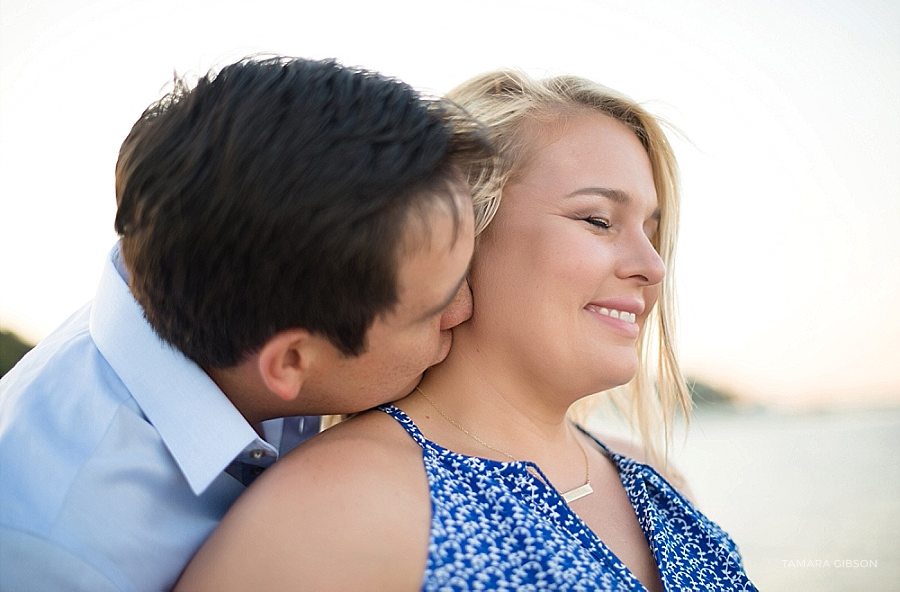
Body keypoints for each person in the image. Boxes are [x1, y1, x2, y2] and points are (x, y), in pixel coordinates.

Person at [180, 69, 758, 592]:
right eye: (598, 220)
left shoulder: (657, 479)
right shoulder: (340, 505)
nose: (652, 265)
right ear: (459, 230)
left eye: (651, 231)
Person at [0, 56, 492, 591]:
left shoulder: (198, 254)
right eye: (434, 306)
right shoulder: (57, 551)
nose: (466, 309)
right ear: (291, 362)